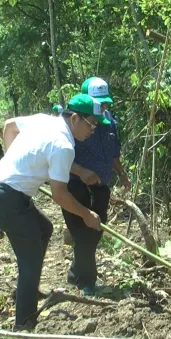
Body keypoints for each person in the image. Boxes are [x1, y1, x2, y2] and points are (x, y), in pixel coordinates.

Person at [0, 94, 106, 331]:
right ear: (74, 118)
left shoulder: (44, 121)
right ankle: (24, 325)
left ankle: (29, 289)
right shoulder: (64, 145)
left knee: (44, 229)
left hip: (4, 192)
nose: (93, 130)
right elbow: (61, 196)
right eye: (91, 123)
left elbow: (10, 127)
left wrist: (13, 161)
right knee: (29, 261)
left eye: (96, 125)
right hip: (9, 200)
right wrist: (87, 215)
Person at [61, 76, 131, 296]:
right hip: (74, 184)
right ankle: (87, 282)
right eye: (98, 102)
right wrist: (80, 172)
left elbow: (113, 152)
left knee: (96, 228)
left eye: (105, 102)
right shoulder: (73, 121)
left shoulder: (109, 121)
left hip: (101, 184)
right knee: (83, 232)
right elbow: (59, 155)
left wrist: (121, 173)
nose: (103, 107)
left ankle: (75, 271)